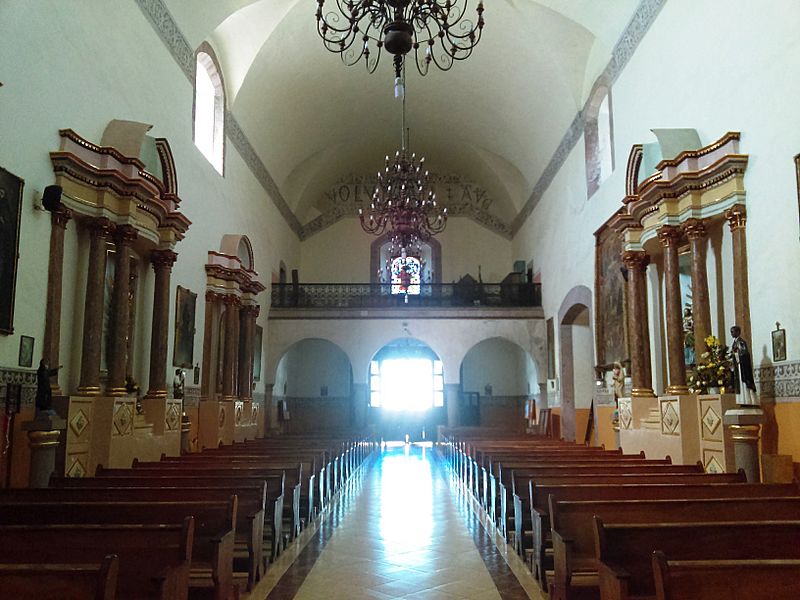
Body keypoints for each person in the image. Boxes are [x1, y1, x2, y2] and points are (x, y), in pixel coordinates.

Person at [730, 325, 758, 405]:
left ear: (738, 332)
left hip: (742, 367)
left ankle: (747, 400)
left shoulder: (741, 342)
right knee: (738, 383)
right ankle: (741, 401)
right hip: (737, 367)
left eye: (733, 331)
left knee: (744, 383)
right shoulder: (735, 342)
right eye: (731, 332)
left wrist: (736, 354)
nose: (732, 333)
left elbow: (744, 354)